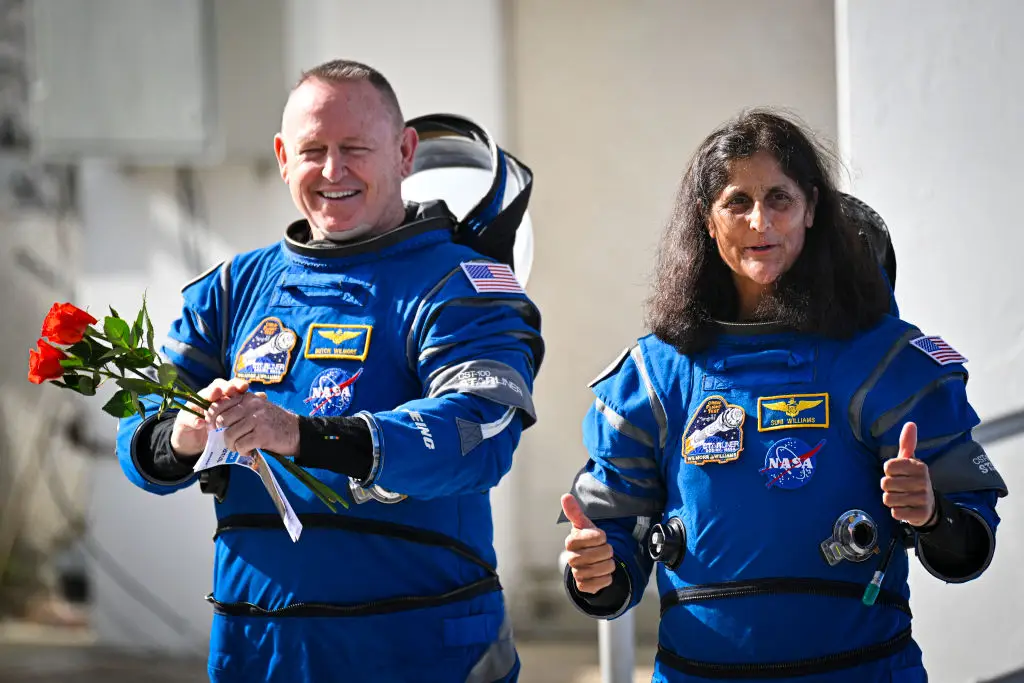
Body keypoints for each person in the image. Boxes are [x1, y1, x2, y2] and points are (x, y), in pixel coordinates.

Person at [114, 59, 542, 683]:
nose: (333, 171)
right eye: (313, 150)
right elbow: (137, 435)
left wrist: (302, 435)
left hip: (421, 651)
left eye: (355, 149)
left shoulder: (465, 286)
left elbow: (477, 432)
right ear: (284, 157)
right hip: (256, 652)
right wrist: (181, 435)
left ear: (404, 151)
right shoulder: (233, 288)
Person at [558, 109, 1006, 682]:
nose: (759, 221)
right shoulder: (656, 374)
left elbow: (969, 542)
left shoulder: (889, 362)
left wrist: (932, 513)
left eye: (780, 199)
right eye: (737, 202)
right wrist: (596, 571)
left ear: (812, 209)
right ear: (707, 218)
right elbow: (610, 538)